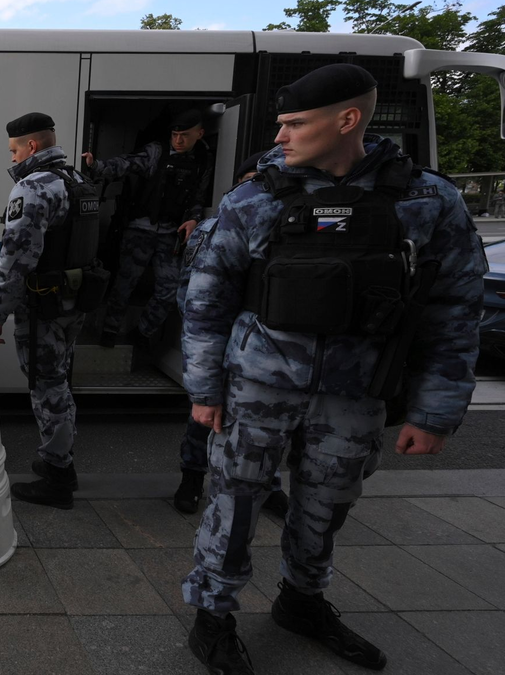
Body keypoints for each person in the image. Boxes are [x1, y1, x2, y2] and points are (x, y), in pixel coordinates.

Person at [179, 64, 485, 675]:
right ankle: (213, 616)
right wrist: (204, 388)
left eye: (295, 123)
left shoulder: (425, 200)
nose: (282, 136)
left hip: (356, 392)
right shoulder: (256, 196)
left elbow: (455, 309)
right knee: (234, 504)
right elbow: (207, 299)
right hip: (258, 386)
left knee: (326, 505)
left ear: (348, 120)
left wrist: (435, 411)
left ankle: (303, 601)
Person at [0, 112, 101, 511]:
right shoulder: (78, 181)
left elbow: (16, 259)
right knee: (59, 380)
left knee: (47, 388)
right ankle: (60, 463)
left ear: (31, 146)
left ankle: (57, 478)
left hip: (43, 307)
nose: (13, 157)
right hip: (74, 301)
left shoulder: (33, 188)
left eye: (14, 150)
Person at [172, 152, 288, 519]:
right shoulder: (210, 229)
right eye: (250, 180)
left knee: (266, 427)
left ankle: (270, 486)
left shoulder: (282, 222)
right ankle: (191, 478)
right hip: (223, 344)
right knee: (202, 418)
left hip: (264, 349)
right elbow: (190, 295)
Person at [84, 108, 214, 349]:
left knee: (170, 289)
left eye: (185, 135)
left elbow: (199, 196)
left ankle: (142, 334)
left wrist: (194, 219)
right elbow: (127, 163)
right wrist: (97, 166)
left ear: (200, 134)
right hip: (140, 230)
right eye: (175, 134)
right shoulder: (157, 151)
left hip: (170, 234)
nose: (178, 140)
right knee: (124, 285)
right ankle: (109, 332)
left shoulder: (202, 160)